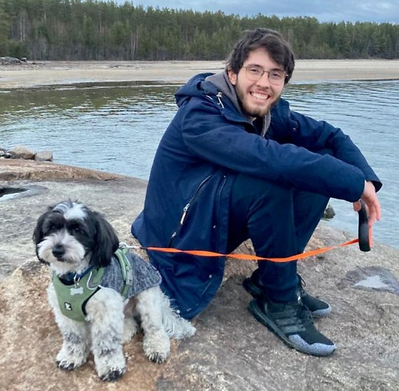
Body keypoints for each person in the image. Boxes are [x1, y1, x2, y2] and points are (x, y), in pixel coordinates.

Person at [131, 28, 382, 357]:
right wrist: (352, 184)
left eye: (275, 74)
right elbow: (266, 158)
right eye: (255, 70)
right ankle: (279, 301)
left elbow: (331, 137)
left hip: (215, 212)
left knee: (315, 166)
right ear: (232, 74)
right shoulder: (200, 115)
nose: (264, 83)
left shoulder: (268, 112)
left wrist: (366, 183)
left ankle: (270, 278)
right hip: (179, 232)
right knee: (271, 181)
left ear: (283, 81)